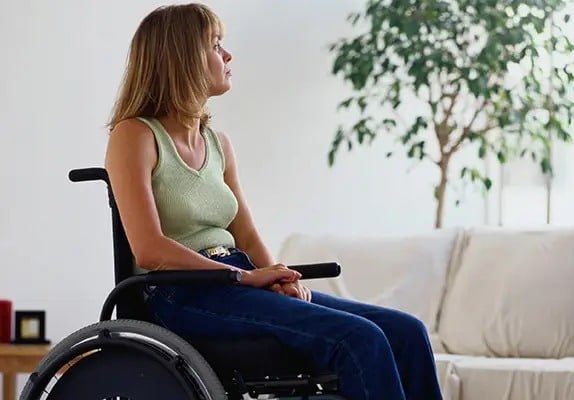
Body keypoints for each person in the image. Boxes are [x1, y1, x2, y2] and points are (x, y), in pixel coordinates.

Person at [105, 3, 443, 400]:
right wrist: (242, 278)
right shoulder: (135, 135)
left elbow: (244, 232)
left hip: (235, 277)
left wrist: (277, 276)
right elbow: (150, 248)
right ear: (181, 57)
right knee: (359, 339)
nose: (228, 56)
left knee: (407, 332)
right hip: (179, 291)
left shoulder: (219, 144)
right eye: (215, 45)